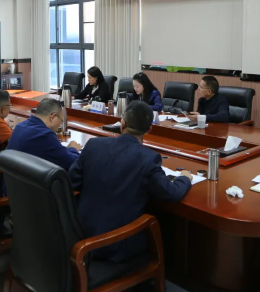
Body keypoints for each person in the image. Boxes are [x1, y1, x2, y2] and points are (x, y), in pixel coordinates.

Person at [69, 101, 193, 263]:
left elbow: (73, 180)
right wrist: (185, 178)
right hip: (114, 244)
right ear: (149, 130)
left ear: (122, 123)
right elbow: (172, 193)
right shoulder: (148, 159)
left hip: (78, 234)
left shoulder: (94, 145)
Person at [7, 98, 82, 170]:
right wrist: (73, 149)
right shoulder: (45, 135)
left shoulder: (19, 126)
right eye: (61, 121)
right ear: (53, 117)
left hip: (13, 177)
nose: (60, 125)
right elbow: (72, 163)